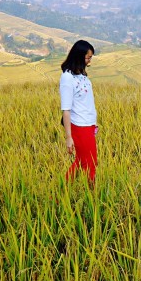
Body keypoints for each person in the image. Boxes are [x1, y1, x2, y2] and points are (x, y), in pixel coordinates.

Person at [59, 40, 98, 186]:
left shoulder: (81, 75)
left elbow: (87, 102)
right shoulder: (67, 77)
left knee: (82, 161)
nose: (89, 61)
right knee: (90, 163)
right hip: (79, 126)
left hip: (88, 125)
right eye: (88, 57)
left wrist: (94, 123)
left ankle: (62, 191)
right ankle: (92, 194)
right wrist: (69, 137)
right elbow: (66, 109)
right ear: (79, 56)